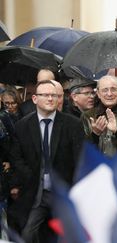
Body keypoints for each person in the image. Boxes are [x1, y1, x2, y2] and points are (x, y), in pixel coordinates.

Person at [8, 80, 84, 241]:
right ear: (35, 99)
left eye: (54, 95)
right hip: (35, 192)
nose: (50, 99)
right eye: (45, 95)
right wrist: (31, 177)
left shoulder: (73, 124)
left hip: (63, 192)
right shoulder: (22, 126)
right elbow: (17, 158)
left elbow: (79, 159)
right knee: (28, 233)